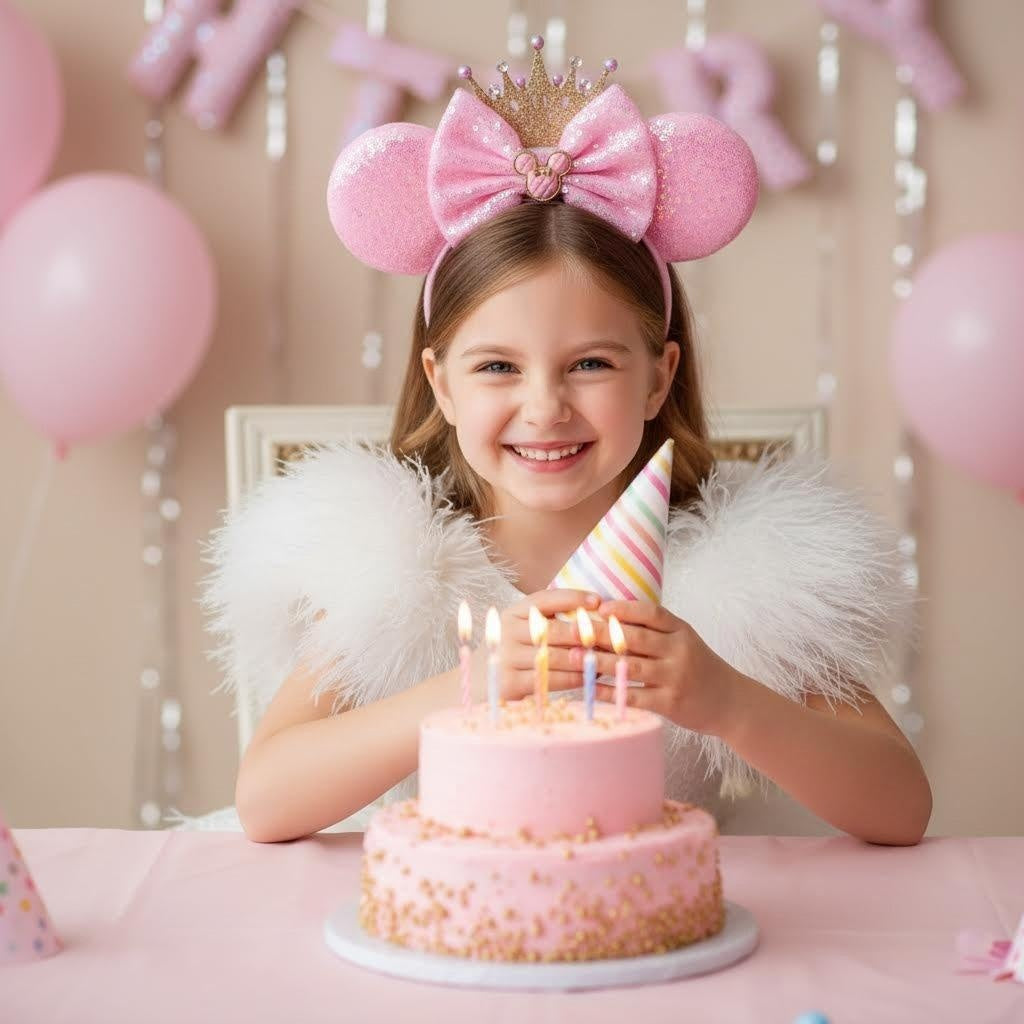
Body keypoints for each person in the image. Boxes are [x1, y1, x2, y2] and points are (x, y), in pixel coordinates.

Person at [199, 39, 931, 846]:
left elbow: (900, 809)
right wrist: (470, 686)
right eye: (498, 367)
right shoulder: (396, 573)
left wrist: (729, 702)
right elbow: (266, 801)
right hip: (440, 943)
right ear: (441, 383)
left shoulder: (739, 579)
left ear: (658, 377)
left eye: (590, 363)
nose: (544, 408)